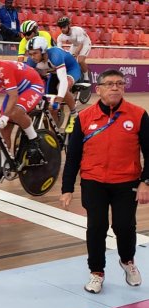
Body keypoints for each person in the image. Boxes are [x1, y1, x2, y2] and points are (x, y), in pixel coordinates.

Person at [59, 69, 149, 293]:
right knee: (96, 227)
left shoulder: (138, 115)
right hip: (93, 181)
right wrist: (67, 187)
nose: (115, 87)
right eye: (109, 84)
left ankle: (127, 261)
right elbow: (73, 155)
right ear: (98, 89)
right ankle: (96, 272)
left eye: (119, 83)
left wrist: (145, 182)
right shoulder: (83, 117)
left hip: (126, 182)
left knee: (123, 226)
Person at [25, 36, 80, 128]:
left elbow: (63, 81)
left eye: (35, 53)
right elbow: (29, 81)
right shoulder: (31, 61)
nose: (32, 57)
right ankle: (56, 129)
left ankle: (74, 113)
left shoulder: (55, 55)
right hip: (54, 72)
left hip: (70, 69)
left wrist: (58, 100)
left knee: (61, 88)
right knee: (51, 107)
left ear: (43, 51)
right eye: (30, 54)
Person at [56, 16, 91, 84]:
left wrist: (75, 54)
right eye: (61, 28)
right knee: (69, 60)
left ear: (69, 26)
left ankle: (86, 77)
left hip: (85, 43)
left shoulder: (78, 30)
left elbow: (81, 45)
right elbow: (59, 50)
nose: (62, 29)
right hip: (75, 45)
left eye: (64, 27)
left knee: (80, 60)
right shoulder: (60, 37)